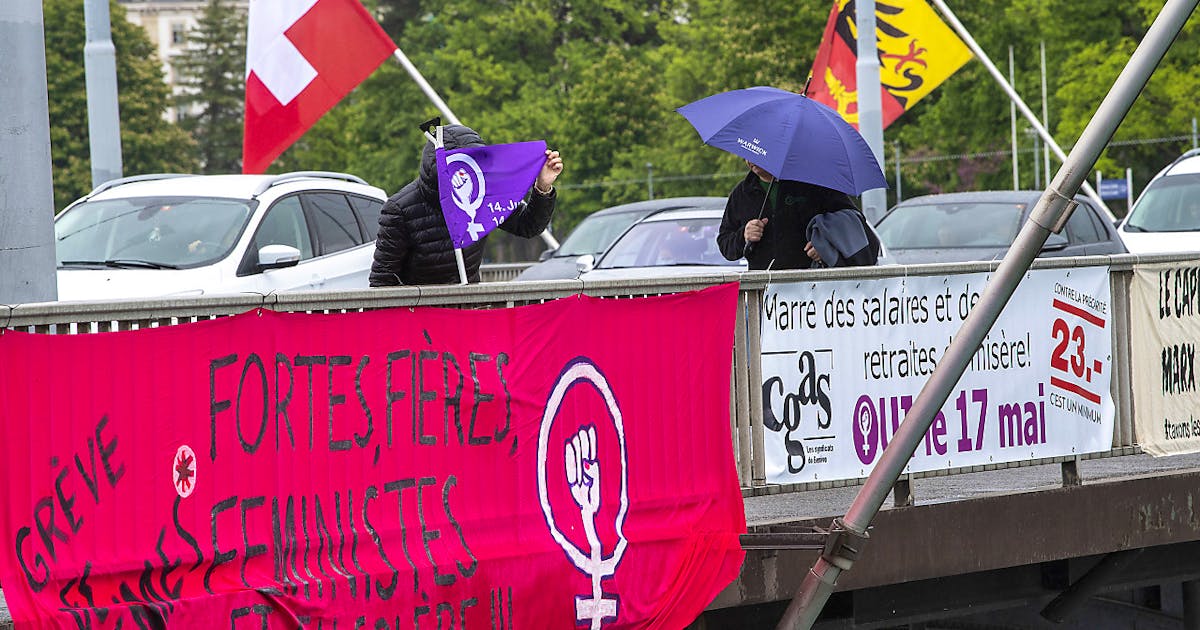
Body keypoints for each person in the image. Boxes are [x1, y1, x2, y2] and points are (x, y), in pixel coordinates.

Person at [370, 124, 564, 286]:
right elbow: (383, 280)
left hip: (469, 311)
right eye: (459, 170)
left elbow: (528, 226)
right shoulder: (399, 209)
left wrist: (543, 187)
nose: (466, 176)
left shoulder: (485, 194)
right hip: (420, 317)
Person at [716, 159, 878, 270]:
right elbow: (725, 244)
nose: (750, 159)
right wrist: (743, 235)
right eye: (747, 153)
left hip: (812, 290)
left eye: (758, 152)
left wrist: (826, 248)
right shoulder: (741, 193)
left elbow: (853, 223)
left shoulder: (813, 184)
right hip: (763, 293)